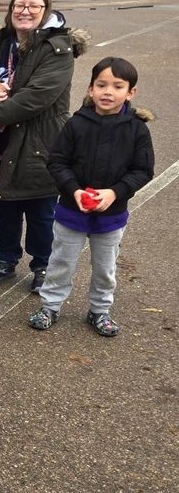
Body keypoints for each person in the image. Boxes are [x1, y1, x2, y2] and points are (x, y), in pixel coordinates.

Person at [0, 0, 87, 292]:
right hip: (2, 140)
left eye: (33, 6)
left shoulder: (58, 49)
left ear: (45, 11)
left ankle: (43, 265)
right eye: (19, 5)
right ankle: (5, 259)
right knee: (6, 202)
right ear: (11, 9)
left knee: (41, 209)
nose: (25, 11)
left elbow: (35, 99)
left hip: (40, 142)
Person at [29, 57, 154, 337]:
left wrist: (115, 192)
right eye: (101, 85)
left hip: (111, 215)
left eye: (117, 86)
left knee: (105, 268)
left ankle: (99, 310)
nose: (108, 92)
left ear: (130, 92)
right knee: (60, 261)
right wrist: (73, 189)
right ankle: (50, 305)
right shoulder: (76, 125)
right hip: (72, 212)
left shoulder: (137, 129)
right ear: (90, 89)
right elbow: (57, 162)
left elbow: (143, 170)